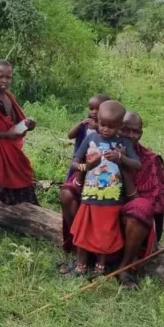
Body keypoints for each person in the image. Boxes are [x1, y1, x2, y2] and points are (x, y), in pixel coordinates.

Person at [68, 100, 141, 278]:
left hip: (111, 198)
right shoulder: (90, 138)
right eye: (102, 125)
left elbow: (137, 165)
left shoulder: (123, 144)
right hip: (90, 194)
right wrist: (87, 166)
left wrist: (120, 158)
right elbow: (74, 162)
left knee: (105, 233)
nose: (106, 129)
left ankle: (100, 266)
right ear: (97, 120)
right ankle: (81, 264)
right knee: (83, 230)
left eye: (111, 126)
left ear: (119, 126)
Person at [116, 111, 164, 286]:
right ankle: (83, 256)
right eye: (125, 130)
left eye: (136, 132)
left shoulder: (150, 160)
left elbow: (154, 206)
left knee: (141, 207)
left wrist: (125, 170)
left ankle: (124, 268)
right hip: (100, 209)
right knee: (69, 191)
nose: (131, 136)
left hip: (132, 221)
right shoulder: (99, 148)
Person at [0, 60, 37, 235]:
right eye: (0, 77)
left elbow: (13, 122)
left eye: (8, 77)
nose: (4, 80)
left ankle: (24, 215)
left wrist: (27, 124)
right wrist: (7, 135)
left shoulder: (9, 96)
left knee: (23, 172)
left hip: (9, 146)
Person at [57, 93, 110, 273]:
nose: (94, 112)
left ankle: (94, 249)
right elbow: (70, 135)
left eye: (98, 109)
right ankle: (77, 240)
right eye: (91, 108)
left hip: (101, 176)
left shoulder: (107, 129)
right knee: (69, 193)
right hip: (79, 169)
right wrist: (81, 123)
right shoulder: (86, 126)